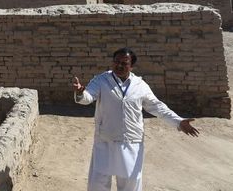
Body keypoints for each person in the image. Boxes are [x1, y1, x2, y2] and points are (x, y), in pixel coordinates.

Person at [73, 47, 199, 191]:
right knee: (98, 183)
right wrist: (80, 93)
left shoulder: (140, 85)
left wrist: (178, 121)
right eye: (116, 62)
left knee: (130, 184)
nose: (119, 66)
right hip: (105, 140)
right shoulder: (102, 80)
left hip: (131, 143)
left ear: (131, 66)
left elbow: (157, 107)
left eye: (124, 63)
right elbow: (89, 96)